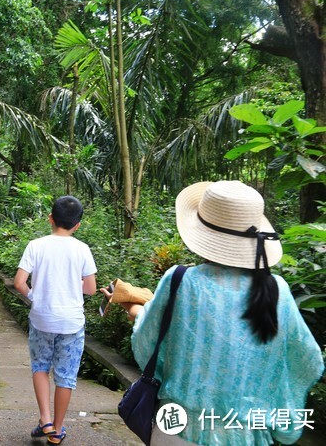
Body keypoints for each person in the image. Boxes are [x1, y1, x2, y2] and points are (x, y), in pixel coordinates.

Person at [102, 181, 324, 445]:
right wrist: (280, 413)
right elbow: (307, 361)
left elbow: (148, 341)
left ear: (201, 231)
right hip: (245, 433)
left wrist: (132, 307)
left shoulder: (181, 280)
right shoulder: (277, 291)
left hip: (178, 427)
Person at [14, 195, 98, 445]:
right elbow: (91, 288)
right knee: (66, 375)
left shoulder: (36, 245)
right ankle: (57, 431)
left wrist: (34, 297)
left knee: (40, 366)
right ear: (77, 225)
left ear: (51, 218)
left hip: (42, 318)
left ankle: (45, 419)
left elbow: (19, 282)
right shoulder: (82, 249)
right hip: (71, 321)